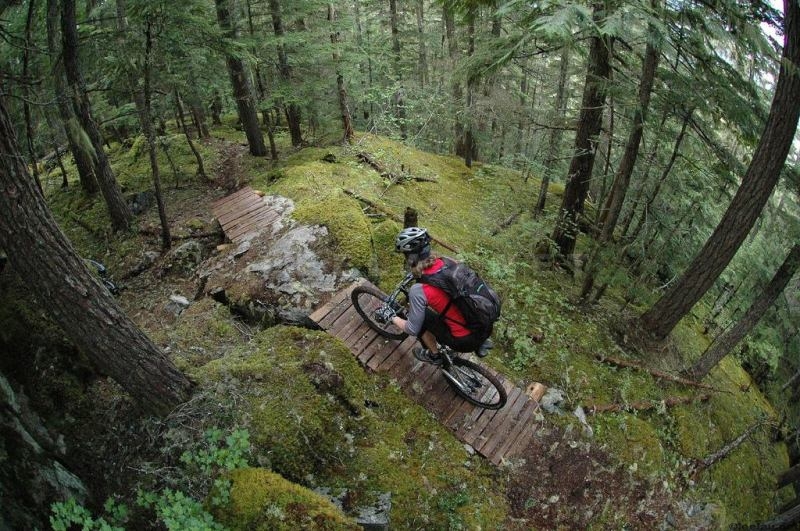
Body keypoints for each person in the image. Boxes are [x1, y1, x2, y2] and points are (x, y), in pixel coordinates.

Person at [381, 226, 491, 365]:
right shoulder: (448, 262)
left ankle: (435, 355)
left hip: (464, 340)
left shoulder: (418, 290)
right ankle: (476, 343)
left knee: (420, 318)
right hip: (484, 326)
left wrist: (391, 317)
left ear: (411, 258)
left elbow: (412, 329)